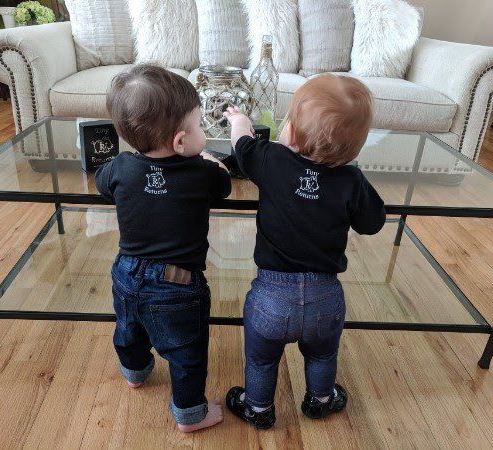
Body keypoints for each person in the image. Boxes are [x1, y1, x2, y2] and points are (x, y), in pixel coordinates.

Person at [223, 74, 386, 429]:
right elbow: (372, 223)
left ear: (292, 134)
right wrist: (354, 182)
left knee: (262, 360)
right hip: (326, 298)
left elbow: (242, 147)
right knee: (323, 353)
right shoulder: (351, 180)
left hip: (270, 297)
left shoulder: (272, 160)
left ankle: (259, 408)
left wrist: (240, 121)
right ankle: (321, 400)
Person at [95, 64, 231, 432]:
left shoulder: (121, 166)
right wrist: (211, 160)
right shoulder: (202, 173)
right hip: (176, 284)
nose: (204, 132)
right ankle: (190, 414)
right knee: (186, 352)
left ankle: (135, 373)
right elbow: (225, 185)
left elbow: (102, 184)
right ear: (181, 143)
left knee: (129, 328)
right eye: (201, 126)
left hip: (127, 271)